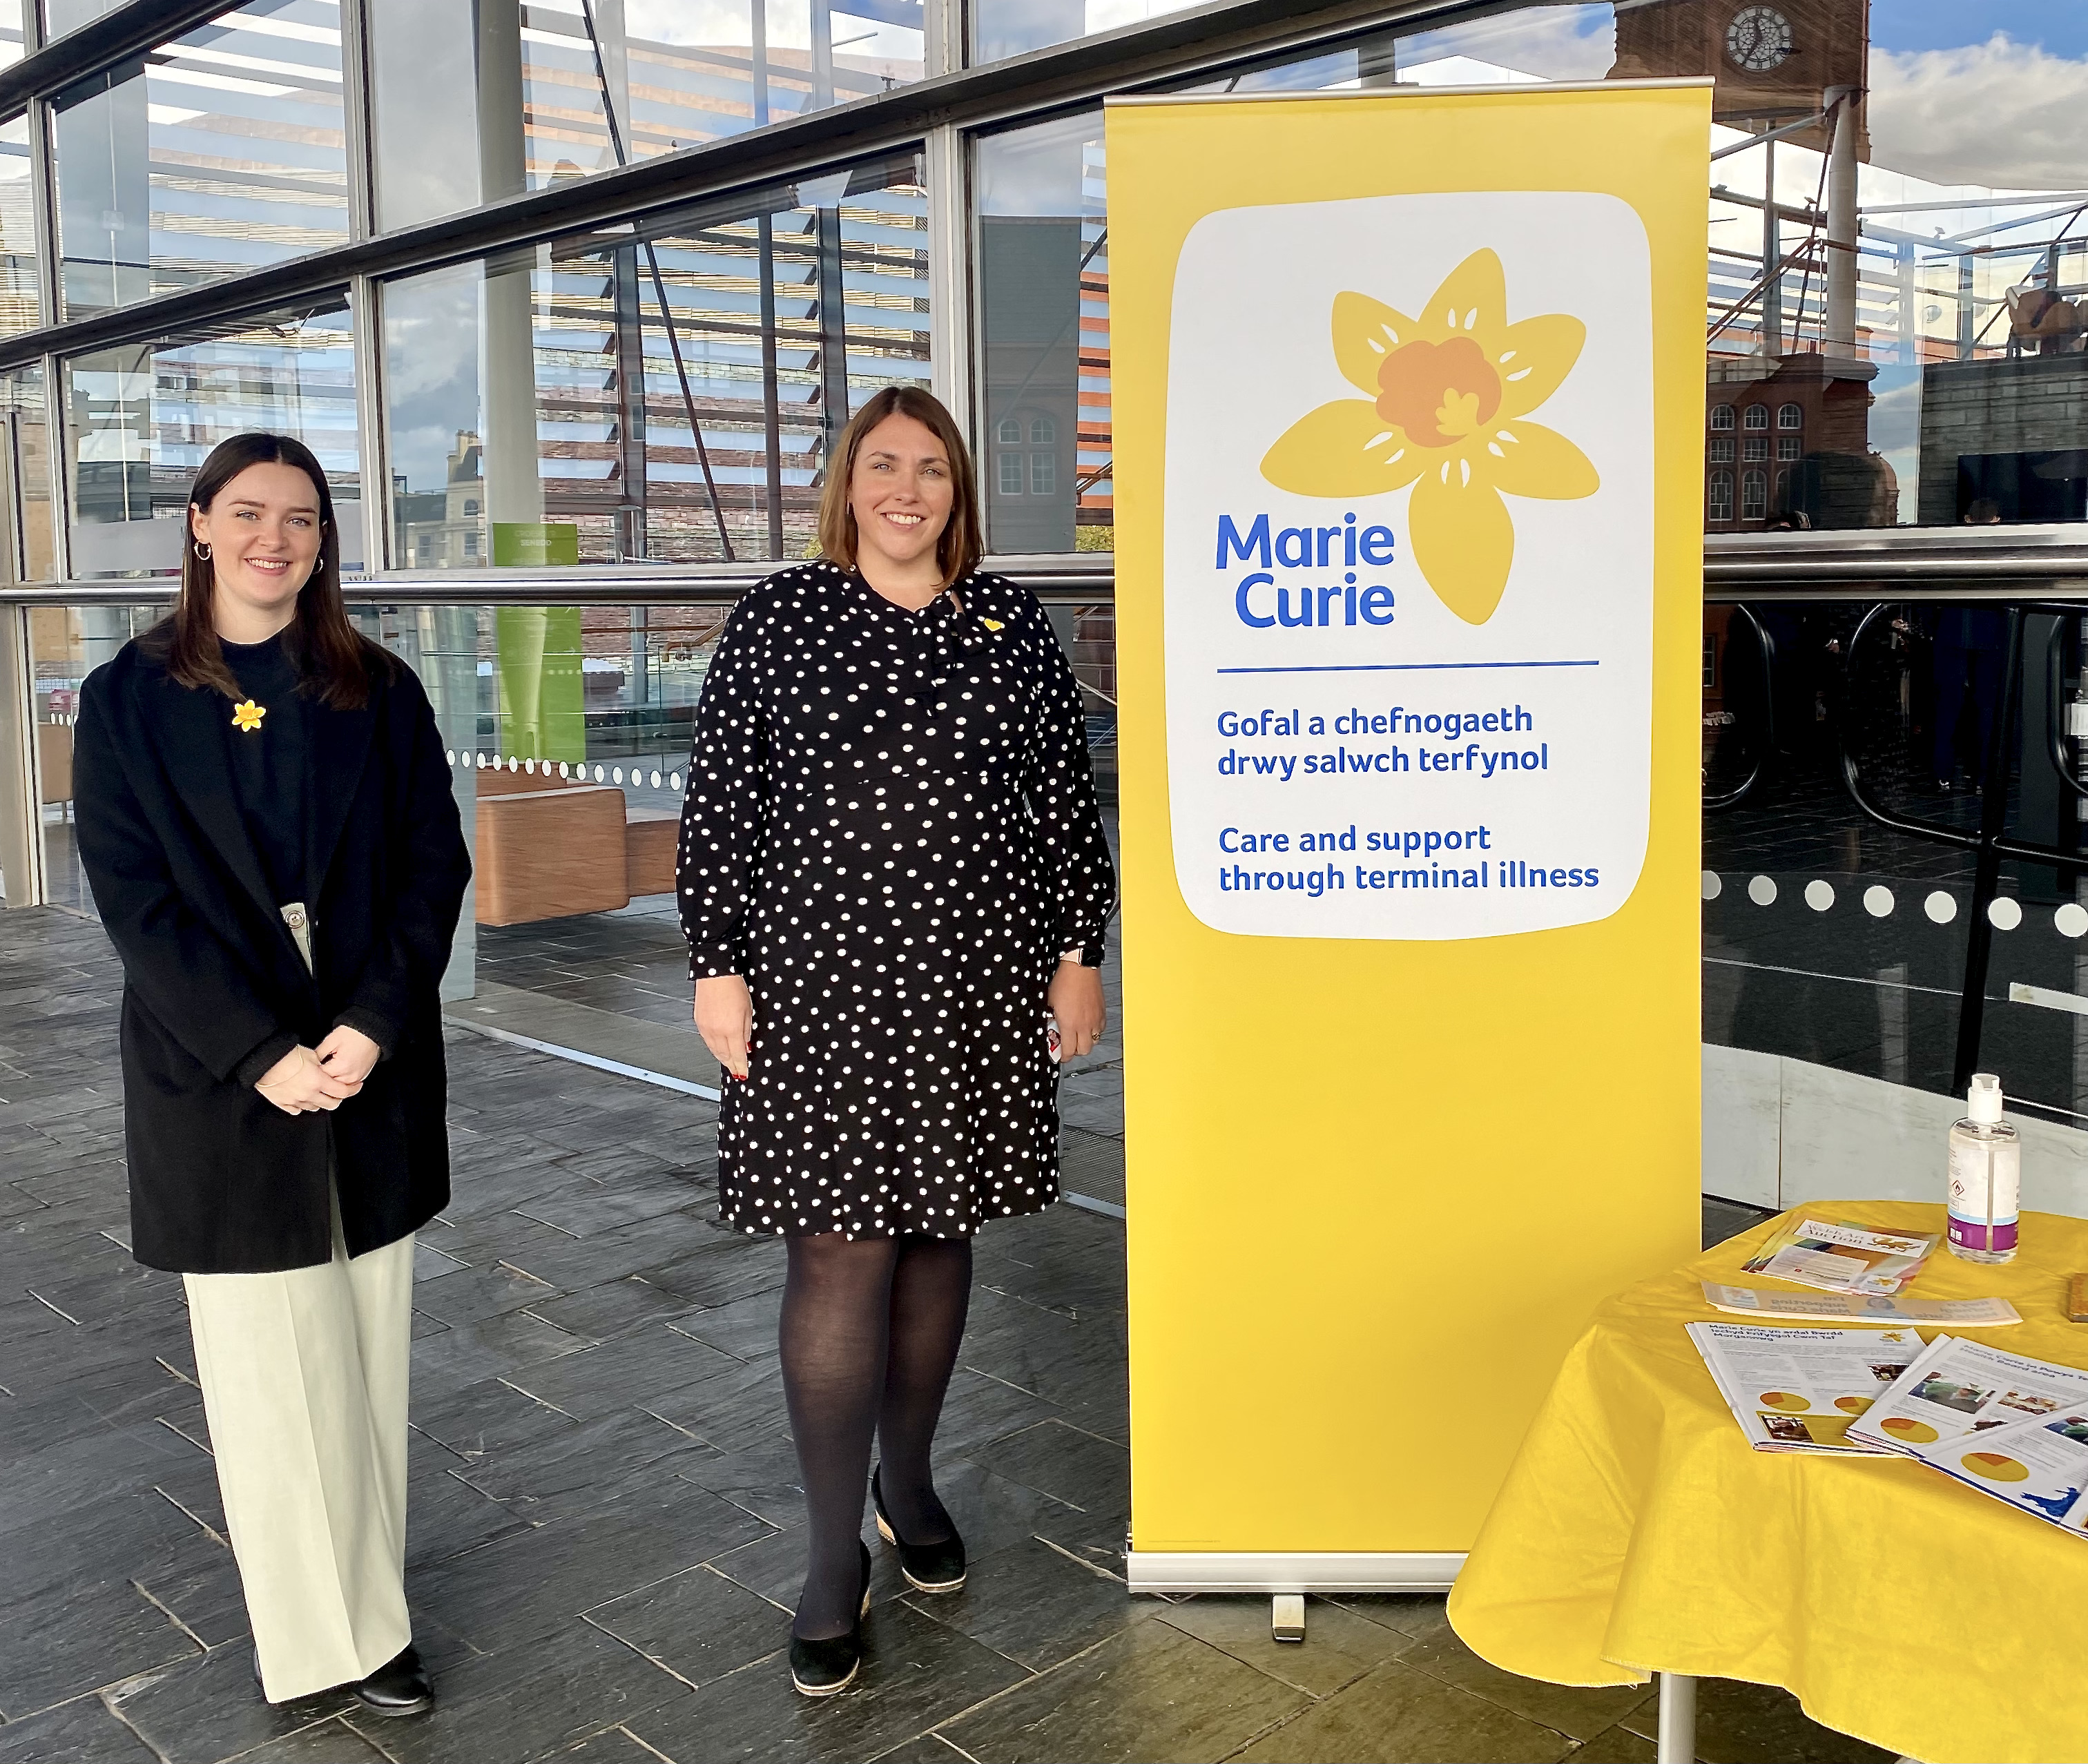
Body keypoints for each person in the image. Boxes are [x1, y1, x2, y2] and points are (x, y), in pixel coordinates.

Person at [676, 385, 1118, 1696]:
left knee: (937, 1236)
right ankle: (831, 1559)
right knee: (839, 1248)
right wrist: (717, 965)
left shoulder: (1009, 625)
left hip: (976, 977)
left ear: (957, 491)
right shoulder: (781, 617)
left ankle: (907, 1482)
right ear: (849, 484)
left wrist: (1078, 951)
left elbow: (1061, 801)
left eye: (931, 469)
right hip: (819, 982)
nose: (907, 490)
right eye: (884, 465)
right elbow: (723, 804)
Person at [71, 432, 470, 1714]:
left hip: (367, 1058)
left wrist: (375, 1022)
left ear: (322, 541)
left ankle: (372, 1603)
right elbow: (135, 904)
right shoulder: (127, 699)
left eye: (300, 519)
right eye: (247, 513)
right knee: (270, 1376)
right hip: (217, 1071)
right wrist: (258, 1054)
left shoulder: (376, 688)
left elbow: (433, 865)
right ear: (198, 524)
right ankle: (332, 1643)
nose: (273, 539)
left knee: (365, 1355)